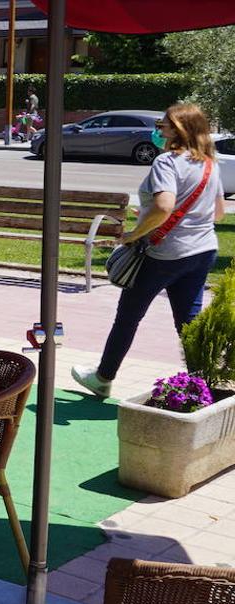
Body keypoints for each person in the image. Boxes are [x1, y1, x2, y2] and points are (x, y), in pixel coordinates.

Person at [72, 102, 226, 398]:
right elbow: (218, 213)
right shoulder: (209, 163)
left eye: (162, 126)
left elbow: (164, 206)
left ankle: (103, 377)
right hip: (203, 250)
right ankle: (200, 386)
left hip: (164, 253)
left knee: (128, 316)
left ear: (178, 131)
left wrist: (135, 233)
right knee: (189, 321)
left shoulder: (167, 162)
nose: (157, 131)